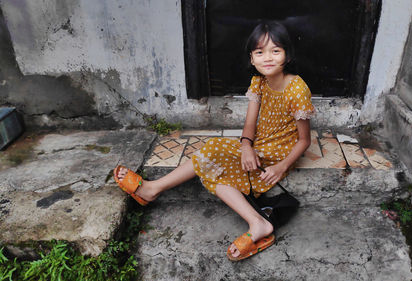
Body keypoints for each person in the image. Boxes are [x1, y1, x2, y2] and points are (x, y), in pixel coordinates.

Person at [114, 21, 316, 261]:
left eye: (275, 50)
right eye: (260, 52)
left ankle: (153, 189)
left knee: (211, 150)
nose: (267, 58)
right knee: (212, 169)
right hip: (259, 147)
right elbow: (250, 124)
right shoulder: (259, 83)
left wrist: (280, 166)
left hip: (278, 155)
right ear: (252, 58)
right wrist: (246, 146)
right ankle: (258, 223)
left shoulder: (297, 89)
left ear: (287, 55)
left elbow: (304, 141)